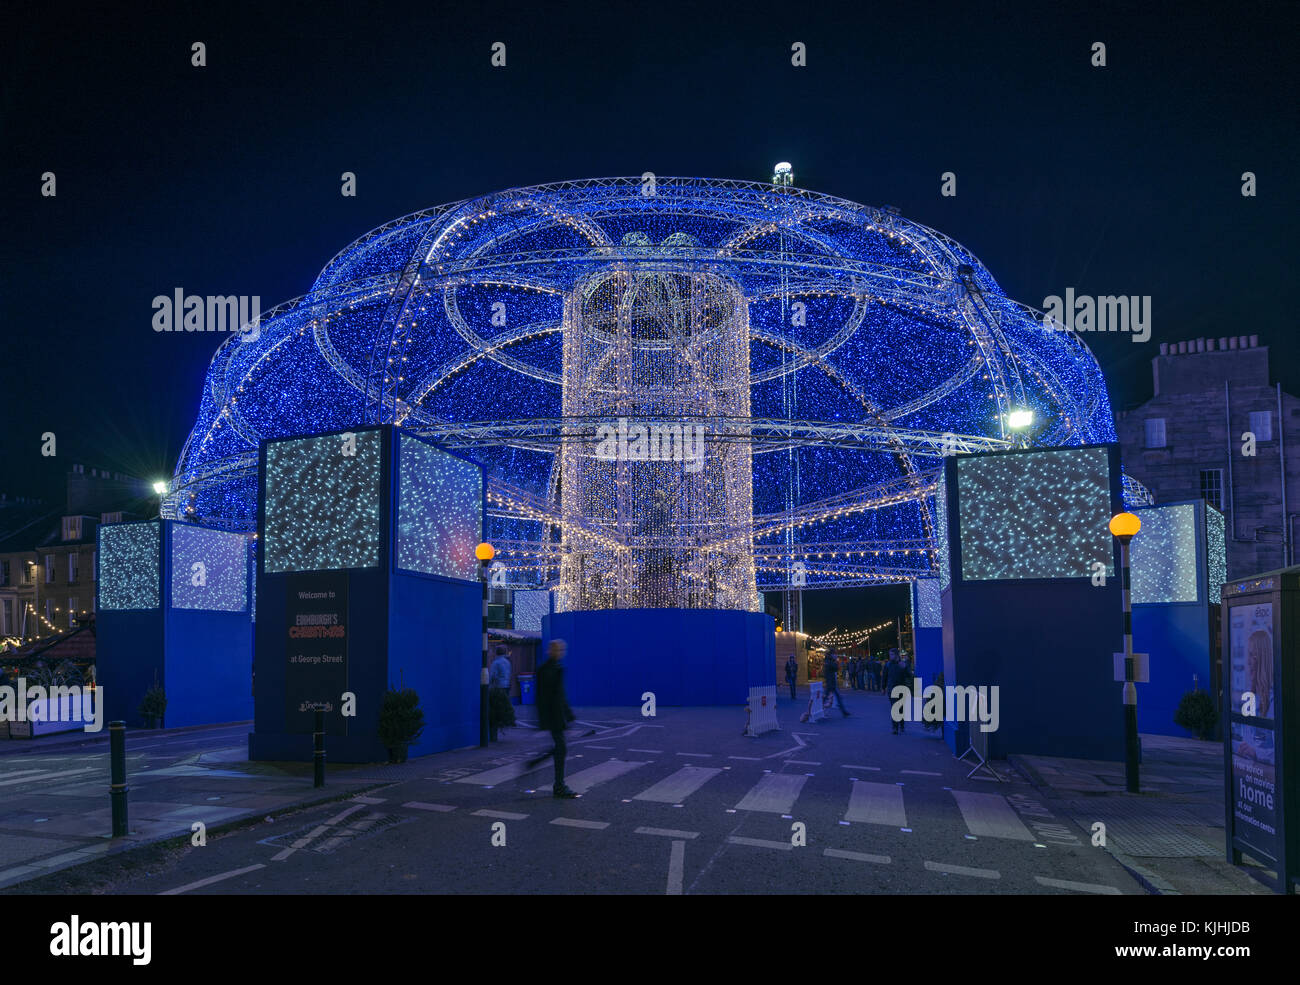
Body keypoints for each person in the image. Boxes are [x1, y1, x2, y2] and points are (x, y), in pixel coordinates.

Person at [527, 640, 578, 797]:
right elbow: (543, 697)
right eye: (557, 649)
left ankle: (537, 764)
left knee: (560, 748)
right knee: (561, 748)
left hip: (558, 716)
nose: (560, 652)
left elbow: (561, 694)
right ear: (550, 651)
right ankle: (559, 786)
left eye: (562, 649)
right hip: (553, 716)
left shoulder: (557, 668)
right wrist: (544, 720)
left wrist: (568, 714)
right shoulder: (546, 669)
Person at [488, 645, 515, 741]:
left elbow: (491, 677)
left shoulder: (496, 663)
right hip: (506, 687)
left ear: (496, 652)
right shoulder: (507, 662)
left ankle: (493, 736)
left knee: (493, 712)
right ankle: (501, 728)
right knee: (502, 710)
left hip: (497, 689)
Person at [885, 648, 909, 733]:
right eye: (890, 654)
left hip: (901, 689)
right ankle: (895, 728)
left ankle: (902, 725)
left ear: (896, 655)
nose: (890, 656)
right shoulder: (888, 665)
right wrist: (883, 687)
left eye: (891, 654)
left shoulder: (902, 664)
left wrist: (905, 668)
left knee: (901, 709)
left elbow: (909, 676)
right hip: (892, 689)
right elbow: (885, 676)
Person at [822, 649, 850, 717]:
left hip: (832, 682)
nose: (835, 655)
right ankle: (817, 708)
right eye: (834, 654)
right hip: (830, 683)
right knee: (826, 697)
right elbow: (836, 668)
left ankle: (844, 712)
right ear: (831, 654)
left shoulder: (829, 661)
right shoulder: (828, 661)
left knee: (837, 697)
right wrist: (836, 662)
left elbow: (836, 668)